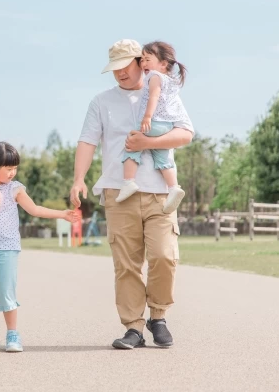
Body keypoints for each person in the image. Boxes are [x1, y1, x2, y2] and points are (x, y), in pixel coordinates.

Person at [69, 39, 194, 349]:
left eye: (125, 66)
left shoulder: (165, 92)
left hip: (161, 194)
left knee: (164, 256)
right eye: (115, 69)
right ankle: (133, 328)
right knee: (126, 264)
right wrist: (78, 179)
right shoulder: (101, 101)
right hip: (119, 191)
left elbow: (186, 134)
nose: (120, 73)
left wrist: (146, 144)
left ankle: (159, 316)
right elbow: (87, 141)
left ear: (141, 61)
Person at [0, 142, 80, 353]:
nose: (12, 173)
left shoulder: (15, 188)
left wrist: (62, 214)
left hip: (8, 249)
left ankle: (12, 334)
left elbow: (34, 209)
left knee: (7, 293)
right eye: (8, 169)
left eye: (15, 168)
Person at [116, 41, 190, 214]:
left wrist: (147, 116)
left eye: (147, 59)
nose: (143, 64)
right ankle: (173, 187)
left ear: (163, 64)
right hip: (166, 126)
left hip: (154, 121)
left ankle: (128, 181)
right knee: (162, 158)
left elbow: (154, 96)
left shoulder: (154, 77)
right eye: (141, 60)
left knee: (132, 143)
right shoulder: (170, 81)